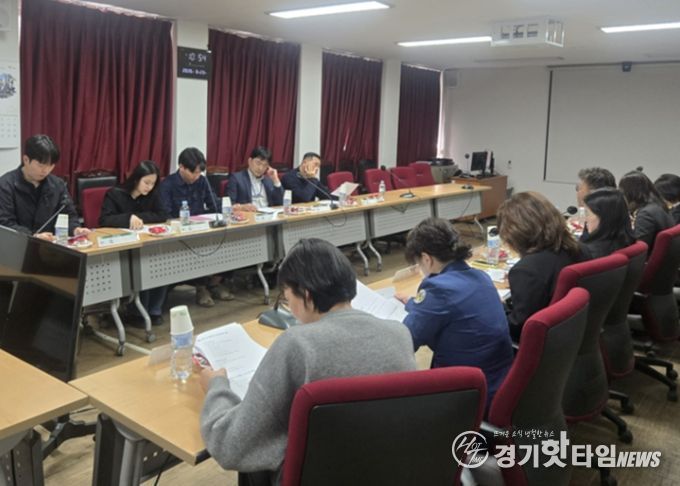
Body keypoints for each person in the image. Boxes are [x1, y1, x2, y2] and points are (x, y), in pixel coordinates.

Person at [200, 238, 416, 484]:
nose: (289, 308)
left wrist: (217, 387)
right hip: (390, 473)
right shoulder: (399, 334)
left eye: (287, 298)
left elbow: (231, 446)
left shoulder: (296, 344)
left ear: (306, 295)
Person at [395, 217, 512, 408]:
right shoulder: (480, 276)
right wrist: (415, 304)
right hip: (499, 381)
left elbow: (406, 340)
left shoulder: (438, 288)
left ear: (426, 259)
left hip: (465, 395)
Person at [497, 192, 585, 341]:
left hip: (536, 343)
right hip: (572, 336)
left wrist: (495, 310)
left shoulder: (527, 270)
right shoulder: (578, 249)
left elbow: (519, 327)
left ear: (516, 233)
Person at [160, 147, 233, 306]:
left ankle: (214, 283)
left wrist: (233, 208)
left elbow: (213, 203)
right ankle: (201, 287)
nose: (197, 176)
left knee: (229, 240)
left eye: (199, 173)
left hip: (202, 229)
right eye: (193, 173)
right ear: (181, 167)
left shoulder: (202, 181)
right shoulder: (167, 184)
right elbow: (165, 215)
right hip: (179, 235)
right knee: (199, 248)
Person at [99, 160, 168, 325]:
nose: (149, 187)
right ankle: (136, 312)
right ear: (136, 179)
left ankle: (154, 310)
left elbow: (162, 215)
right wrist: (128, 218)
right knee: (142, 264)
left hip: (146, 242)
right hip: (121, 246)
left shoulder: (152, 194)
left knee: (161, 263)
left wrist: (139, 218)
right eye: (146, 182)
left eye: (153, 183)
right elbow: (104, 220)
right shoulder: (115, 194)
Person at [0, 134, 89, 240]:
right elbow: (5, 224)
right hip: (17, 245)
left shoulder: (57, 185)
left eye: (51, 166)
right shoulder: (6, 185)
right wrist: (33, 237)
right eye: (41, 165)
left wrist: (75, 229)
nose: (45, 171)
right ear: (26, 160)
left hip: (50, 245)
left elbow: (69, 214)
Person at [619, 170, 674, 254]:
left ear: (632, 194)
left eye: (623, 194)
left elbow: (638, 250)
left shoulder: (646, 214)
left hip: (648, 259)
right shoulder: (659, 205)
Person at [580, 188, 635, 259]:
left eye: (587, 214)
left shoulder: (589, 252)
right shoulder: (627, 241)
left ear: (605, 217)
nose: (585, 220)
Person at [227, 146, 284, 211]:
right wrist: (242, 207)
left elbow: (281, 203)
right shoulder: (236, 179)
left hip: (268, 215)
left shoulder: (269, 180)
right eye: (258, 163)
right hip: (249, 215)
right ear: (250, 161)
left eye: (265, 165)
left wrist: (276, 180)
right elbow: (228, 205)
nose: (260, 168)